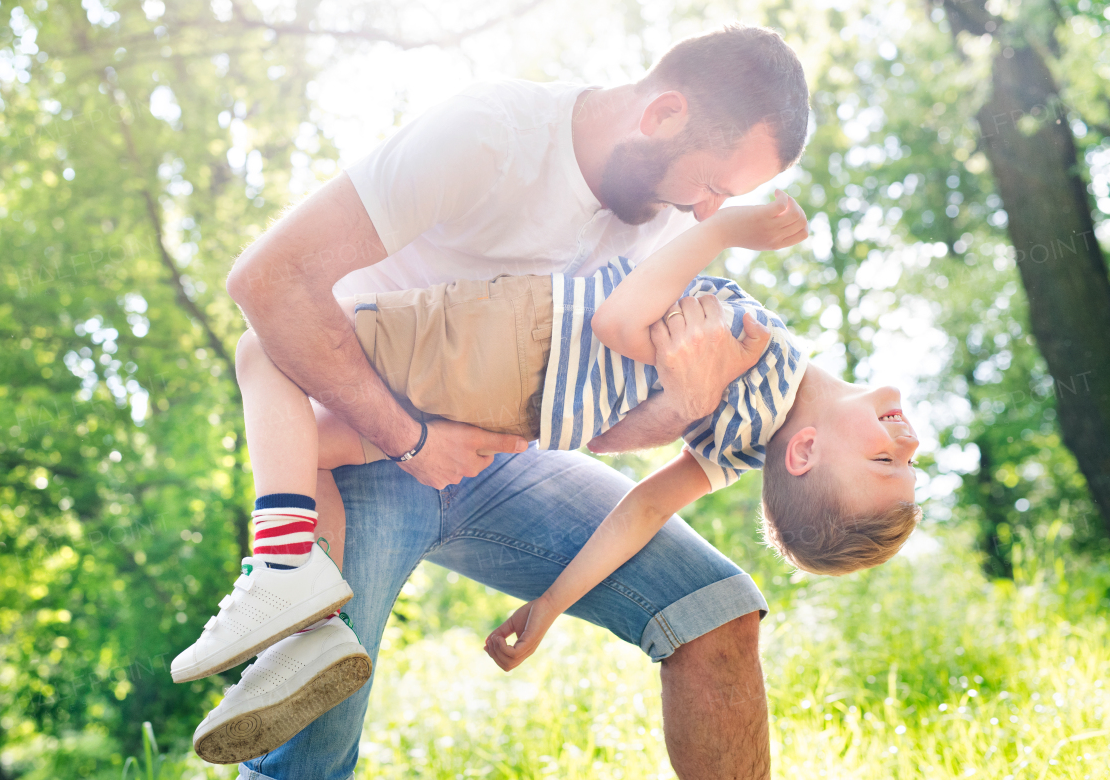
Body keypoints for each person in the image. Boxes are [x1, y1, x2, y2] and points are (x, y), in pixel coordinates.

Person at [220, 24, 811, 780]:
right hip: (362, 435)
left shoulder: (665, 225)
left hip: (509, 462)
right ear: (663, 114)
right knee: (310, 742)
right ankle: (287, 599)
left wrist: (681, 404)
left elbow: (599, 432)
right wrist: (410, 439)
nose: (706, 214)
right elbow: (267, 281)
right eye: (715, 187)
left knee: (716, 611)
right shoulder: (491, 135)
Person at [177, 190, 922, 763]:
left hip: (507, 350)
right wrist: (551, 606)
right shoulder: (741, 440)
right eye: (907, 461)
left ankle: (287, 578)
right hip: (515, 407)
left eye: (884, 459)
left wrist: (723, 229)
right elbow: (639, 507)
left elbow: (623, 320)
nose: (909, 440)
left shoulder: (758, 351)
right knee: (313, 445)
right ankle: (312, 625)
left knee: (269, 350)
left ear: (805, 453)